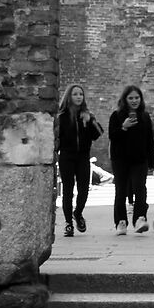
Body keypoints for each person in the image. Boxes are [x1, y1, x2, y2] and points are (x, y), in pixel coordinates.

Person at [107, 85, 154, 234]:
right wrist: (123, 127)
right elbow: (112, 136)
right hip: (120, 159)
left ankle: (140, 218)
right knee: (121, 190)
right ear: (125, 99)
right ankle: (121, 222)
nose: (134, 101)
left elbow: (149, 140)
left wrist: (152, 161)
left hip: (139, 159)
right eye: (131, 98)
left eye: (137, 98)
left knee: (140, 188)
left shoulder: (144, 116)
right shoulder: (116, 116)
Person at [54, 84, 101, 237]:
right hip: (67, 156)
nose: (78, 97)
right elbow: (56, 137)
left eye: (81, 94)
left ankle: (78, 213)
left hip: (83, 156)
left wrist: (90, 122)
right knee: (68, 190)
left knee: (83, 189)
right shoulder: (61, 116)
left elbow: (97, 134)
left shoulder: (87, 115)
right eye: (75, 94)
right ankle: (68, 223)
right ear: (69, 97)